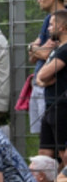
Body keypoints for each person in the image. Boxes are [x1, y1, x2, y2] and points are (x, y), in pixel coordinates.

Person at [34, 9, 67, 158]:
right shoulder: (57, 48)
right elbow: (39, 78)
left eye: (52, 24)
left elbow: (43, 74)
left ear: (62, 27)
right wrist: (42, 80)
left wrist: (42, 78)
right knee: (44, 154)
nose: (48, 28)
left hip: (61, 106)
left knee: (63, 153)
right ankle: (51, 181)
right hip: (50, 106)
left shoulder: (65, 51)